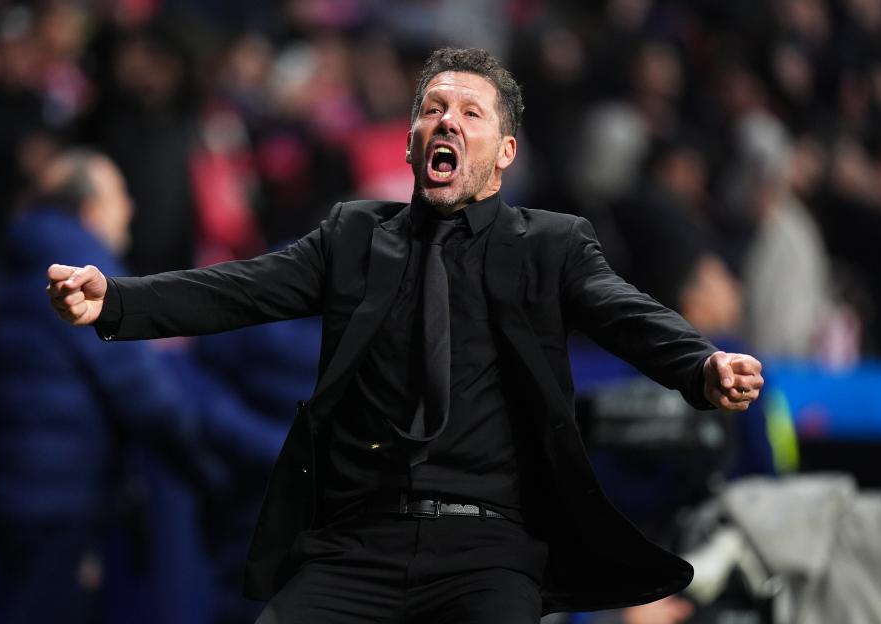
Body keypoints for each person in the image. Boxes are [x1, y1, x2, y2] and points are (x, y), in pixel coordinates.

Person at [47, 48, 764, 623]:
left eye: (469, 111)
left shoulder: (552, 243)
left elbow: (621, 309)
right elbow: (241, 288)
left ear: (505, 150)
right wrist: (117, 300)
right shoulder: (354, 235)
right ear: (412, 140)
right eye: (432, 108)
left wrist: (699, 364)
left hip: (490, 549)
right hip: (357, 543)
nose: (446, 120)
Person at [0, 148, 227, 624]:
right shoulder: (81, 271)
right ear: (91, 210)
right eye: (119, 195)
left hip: (20, 488)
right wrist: (208, 469)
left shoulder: (29, 254)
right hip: (59, 498)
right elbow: (142, 392)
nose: (130, 207)